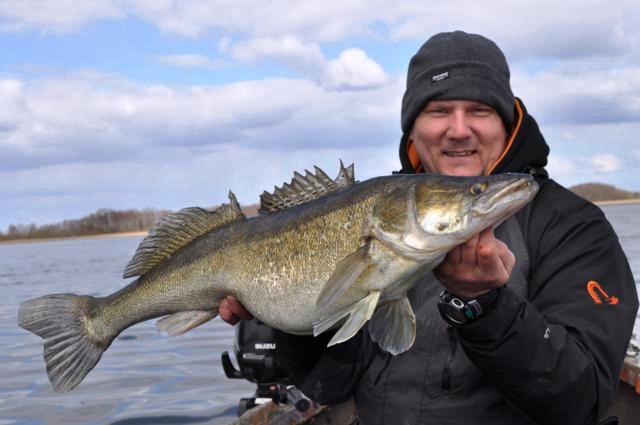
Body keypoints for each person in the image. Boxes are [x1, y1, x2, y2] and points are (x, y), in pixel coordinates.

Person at [219, 31, 639, 425]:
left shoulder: (572, 226)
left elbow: (583, 400)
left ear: (507, 122)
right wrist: (285, 306)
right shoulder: (377, 216)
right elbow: (329, 386)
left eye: (479, 110)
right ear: (413, 129)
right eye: (439, 111)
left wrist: (485, 307)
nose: (458, 130)